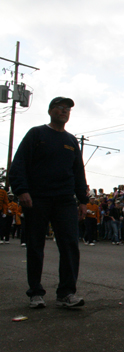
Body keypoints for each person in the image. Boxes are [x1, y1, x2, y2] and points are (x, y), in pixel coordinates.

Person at [9, 96, 87, 309]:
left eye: (68, 109)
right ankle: (35, 292)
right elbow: (19, 163)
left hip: (65, 200)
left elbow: (78, 172)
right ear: (51, 111)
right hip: (37, 199)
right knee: (35, 245)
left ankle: (67, 293)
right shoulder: (37, 134)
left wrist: (83, 200)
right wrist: (22, 190)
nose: (65, 112)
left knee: (70, 245)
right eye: (61, 108)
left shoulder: (71, 141)